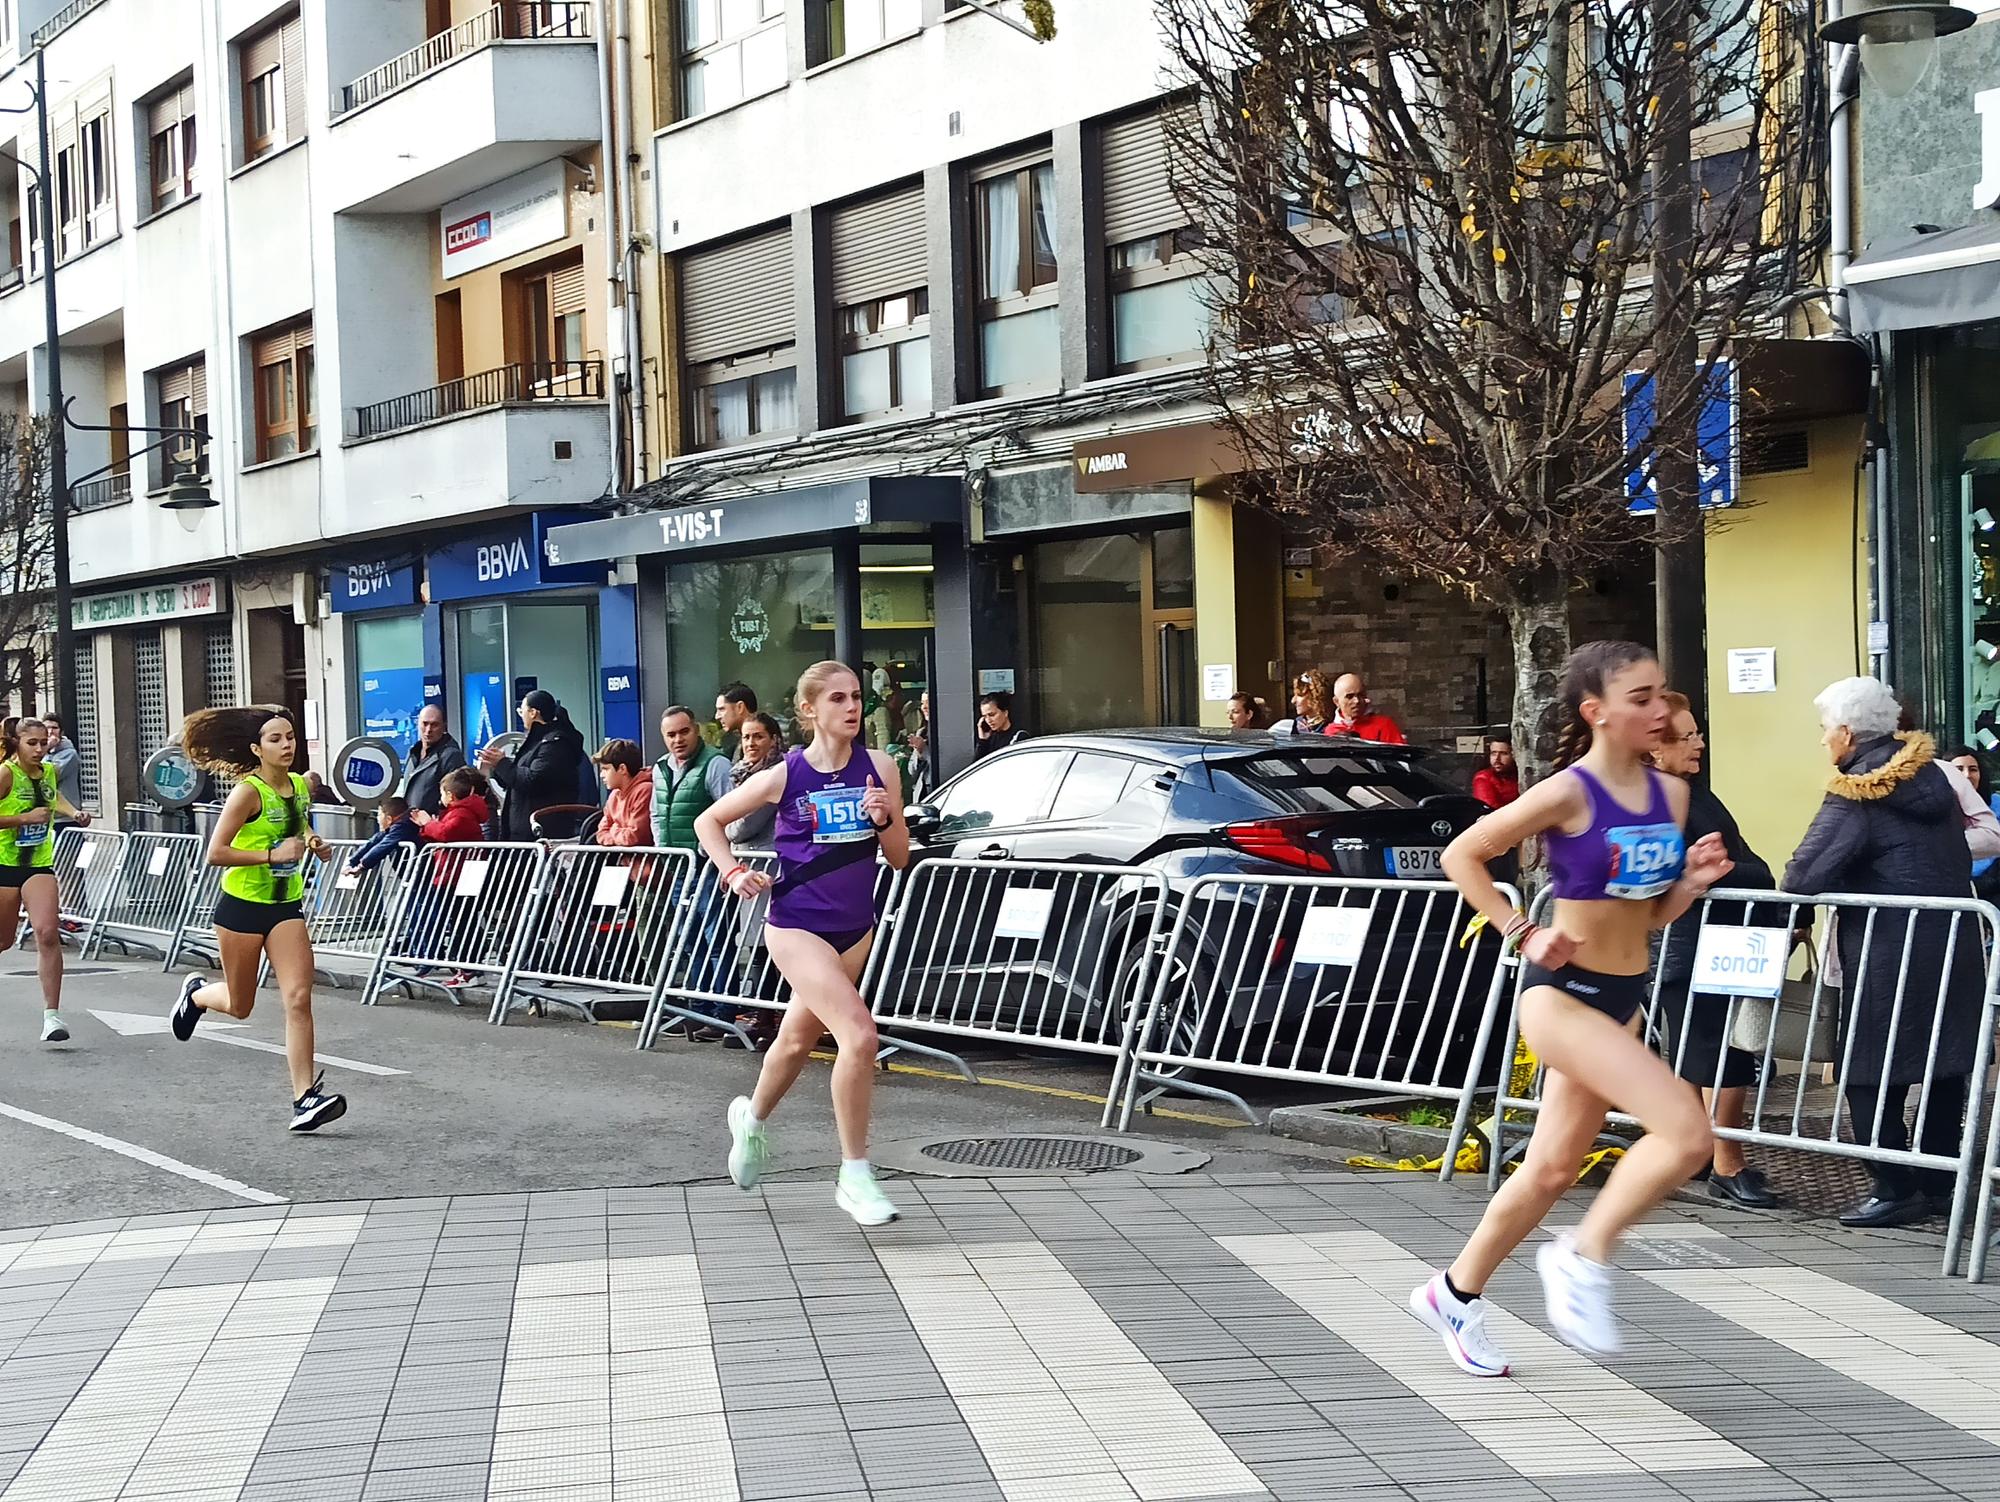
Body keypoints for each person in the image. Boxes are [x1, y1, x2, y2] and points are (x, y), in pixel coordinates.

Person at [1409, 641, 1730, 1372]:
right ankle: (1582, 1257)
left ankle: (1454, 1294)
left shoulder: (1670, 796)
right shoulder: (1569, 792)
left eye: (1661, 694)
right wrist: (1521, 929)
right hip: (1560, 1000)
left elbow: (1644, 918)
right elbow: (1465, 854)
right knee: (1687, 1136)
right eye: (1641, 698)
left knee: (1552, 1170)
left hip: (1621, 998)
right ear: (1599, 713)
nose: (1659, 710)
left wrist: (1691, 884)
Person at [695, 660, 910, 1226]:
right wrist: (734, 872)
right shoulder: (786, 773)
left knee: (794, 1042)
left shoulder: (881, 766)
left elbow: (899, 857)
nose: (852, 707)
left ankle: (751, 1118)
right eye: (837, 698)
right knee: (860, 1037)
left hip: (853, 929)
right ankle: (855, 1173)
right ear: (810, 710)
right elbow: (708, 822)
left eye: (857, 697)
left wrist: (885, 818)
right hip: (795, 926)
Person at [1783, 678, 1987, 1229]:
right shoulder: (1935, 779)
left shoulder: (1859, 788)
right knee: (1944, 1068)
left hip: (1888, 950)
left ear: (1847, 732)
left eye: (1826, 729)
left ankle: (1895, 1185)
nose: (1825, 740)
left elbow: (1803, 875)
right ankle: (1942, 1184)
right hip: (1954, 940)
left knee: (1869, 1073)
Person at [168, 706, 347, 1132]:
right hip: (242, 908)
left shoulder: (300, 786)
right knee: (240, 1004)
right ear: (256, 748)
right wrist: (270, 855)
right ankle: (196, 995)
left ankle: (305, 1098)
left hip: (286, 906)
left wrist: (312, 840)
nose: (287, 745)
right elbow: (216, 853)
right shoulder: (247, 792)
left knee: (299, 997)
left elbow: (296, 825)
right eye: (276, 739)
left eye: (290, 737)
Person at [1650, 693, 1781, 1209]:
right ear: (1654, 749)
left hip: (1727, 940)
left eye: (1698, 732)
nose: (1699, 742)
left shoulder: (1696, 795)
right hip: (1692, 944)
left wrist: (1747, 877)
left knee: (1707, 1051)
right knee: (1713, 1052)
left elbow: (1740, 861)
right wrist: (1742, 874)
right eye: (1687, 736)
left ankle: (1700, 1153)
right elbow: (1708, 870)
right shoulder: (1663, 801)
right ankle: (1725, 1162)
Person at [0, 719, 91, 1042]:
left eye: (44, 742)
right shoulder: (7, 774)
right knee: (3, 941)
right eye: (32, 743)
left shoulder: (49, 771)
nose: (40, 749)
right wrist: (23, 818)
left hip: (38, 864)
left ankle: (52, 1016)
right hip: (4, 865)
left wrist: (74, 812)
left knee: (47, 932)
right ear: (17, 743)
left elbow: (53, 801)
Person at [406, 766, 492, 986]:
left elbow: (446, 833)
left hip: (457, 875)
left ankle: (469, 969)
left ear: (450, 795)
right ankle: (467, 968)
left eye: (443, 793)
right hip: (459, 873)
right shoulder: (464, 811)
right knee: (461, 921)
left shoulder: (461, 813)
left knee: (462, 922)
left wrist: (427, 823)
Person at [479, 690, 586, 840]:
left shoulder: (555, 744)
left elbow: (533, 780)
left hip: (542, 832)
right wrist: (496, 767)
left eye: (521, 710)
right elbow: (516, 779)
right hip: (524, 829)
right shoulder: (537, 741)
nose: (520, 715)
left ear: (533, 713)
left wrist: (502, 764)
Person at [1946, 746, 2000, 901]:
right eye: (1958, 769)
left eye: (1973, 769)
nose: (1966, 775)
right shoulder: (1935, 810)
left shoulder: (1997, 804)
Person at [403, 706, 466, 818]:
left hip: (433, 828)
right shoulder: (413, 752)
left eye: (434, 725)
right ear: (418, 724)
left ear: (444, 726)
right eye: (425, 724)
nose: (428, 730)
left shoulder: (451, 756)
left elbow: (458, 800)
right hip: (410, 827)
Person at [591, 739, 654, 848]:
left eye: (606, 769)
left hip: (643, 863)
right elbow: (601, 833)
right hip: (623, 862)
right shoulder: (614, 795)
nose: (601, 775)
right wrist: (619, 834)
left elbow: (634, 836)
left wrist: (614, 829)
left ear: (622, 769)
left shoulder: (645, 790)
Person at [347, 796, 420, 876]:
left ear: (389, 819)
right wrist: (352, 862)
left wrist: (361, 866)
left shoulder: (403, 826)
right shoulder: (396, 827)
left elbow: (383, 846)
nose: (378, 819)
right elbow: (374, 842)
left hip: (420, 873)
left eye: (379, 815)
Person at [1328, 673, 1407, 743]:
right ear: (1336, 701)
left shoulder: (1384, 725)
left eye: (1360, 695)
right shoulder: (1330, 732)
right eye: (1349, 697)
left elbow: (1400, 756)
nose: (1357, 701)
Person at [41, 715, 81, 823]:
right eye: (47, 728)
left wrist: (47, 748)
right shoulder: (40, 753)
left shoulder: (69, 754)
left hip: (64, 817)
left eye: (54, 728)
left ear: (61, 732)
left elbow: (48, 776)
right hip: (46, 815)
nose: (50, 731)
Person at [1277, 670, 1334, 735]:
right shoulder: (1294, 726)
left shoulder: (1331, 729)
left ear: (1315, 696)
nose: (1293, 701)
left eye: (1299, 695)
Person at [1472, 736, 1519, 809]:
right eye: (1493, 753)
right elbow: (1490, 809)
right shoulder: (1484, 778)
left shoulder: (1519, 776)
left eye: (1503, 753)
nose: (1497, 758)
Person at [715, 682, 757, 762]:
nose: (717, 716)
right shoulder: (732, 742)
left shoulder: (765, 744)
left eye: (722, 709)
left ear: (740, 707)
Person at [975, 692, 1024, 757]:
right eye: (985, 716)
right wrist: (983, 741)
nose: (988, 720)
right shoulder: (990, 738)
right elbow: (979, 765)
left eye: (992, 715)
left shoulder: (1018, 736)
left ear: (1005, 713)